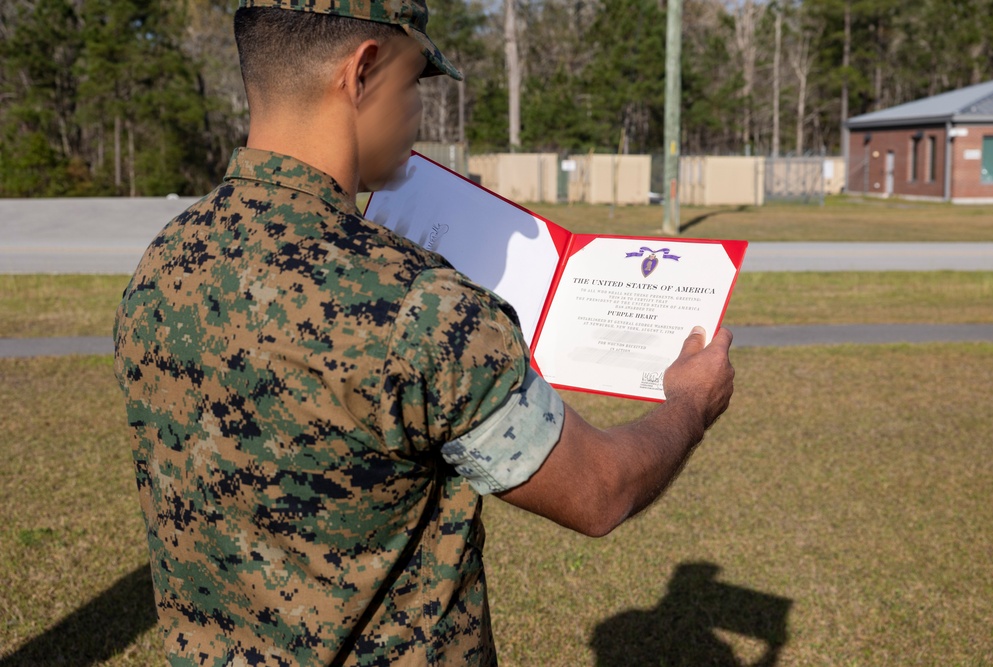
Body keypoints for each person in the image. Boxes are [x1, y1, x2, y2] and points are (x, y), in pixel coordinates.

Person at [113, 1, 736, 665]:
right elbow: (600, 491)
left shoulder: (163, 260)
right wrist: (689, 404)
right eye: (415, 83)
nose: (419, 114)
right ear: (364, 71)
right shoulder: (418, 306)